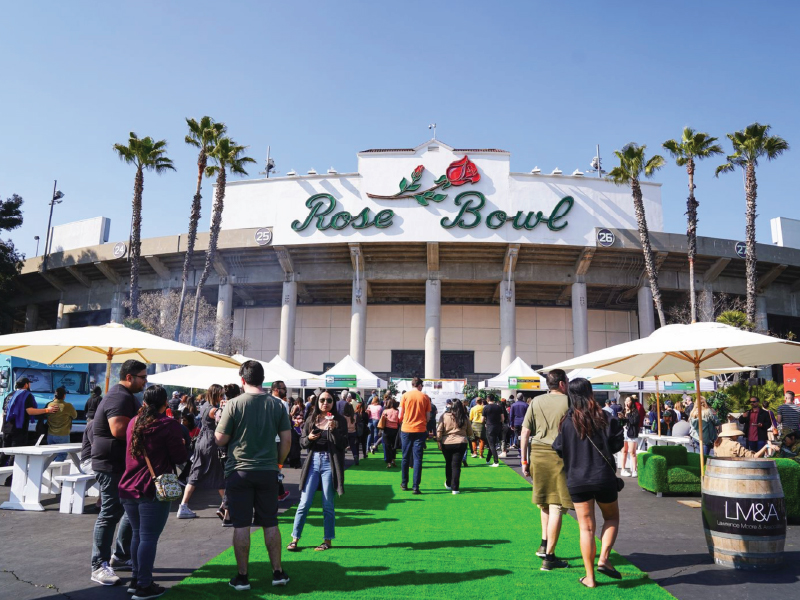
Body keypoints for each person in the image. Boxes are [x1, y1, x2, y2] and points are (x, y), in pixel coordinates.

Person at [215, 360, 291, 591]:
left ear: (242, 379)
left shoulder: (233, 404)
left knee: (241, 524)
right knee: (270, 522)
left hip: (239, 471)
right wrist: (278, 464)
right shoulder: (277, 404)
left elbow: (220, 439)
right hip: (268, 470)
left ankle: (242, 577)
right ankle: (277, 572)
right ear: (263, 379)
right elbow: (287, 440)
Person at [552, 378, 624, 588]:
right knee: (611, 517)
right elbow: (617, 443)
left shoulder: (567, 421)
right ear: (590, 392)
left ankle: (590, 577)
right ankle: (604, 558)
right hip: (603, 477)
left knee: (586, 528)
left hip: (577, 479)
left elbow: (558, 448)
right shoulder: (605, 417)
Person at [119, 386, 188, 600]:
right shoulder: (168, 424)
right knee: (148, 538)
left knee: (138, 535)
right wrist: (183, 444)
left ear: (144, 402)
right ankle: (144, 585)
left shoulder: (133, 422)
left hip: (129, 485)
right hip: (152, 487)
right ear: (165, 403)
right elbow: (180, 457)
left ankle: (136, 579)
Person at [90, 360, 148, 585]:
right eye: (142, 377)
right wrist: (148, 428)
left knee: (129, 510)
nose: (145, 382)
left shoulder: (126, 396)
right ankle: (99, 565)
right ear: (130, 377)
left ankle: (121, 556)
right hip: (110, 464)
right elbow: (119, 429)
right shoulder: (119, 396)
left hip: (121, 464)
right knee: (110, 513)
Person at [520, 369, 572, 571]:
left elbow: (525, 432)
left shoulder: (536, 401)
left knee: (544, 502)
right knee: (557, 504)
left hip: (537, 454)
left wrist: (524, 460)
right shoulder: (569, 402)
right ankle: (549, 556)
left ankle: (544, 544)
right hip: (559, 455)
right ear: (562, 383)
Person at [286, 391, 348, 552]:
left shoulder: (339, 420)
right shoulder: (311, 419)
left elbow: (343, 444)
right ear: (317, 402)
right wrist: (309, 438)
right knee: (304, 503)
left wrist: (333, 430)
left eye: (329, 400)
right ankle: (295, 538)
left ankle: (327, 540)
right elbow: (302, 442)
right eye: (322, 400)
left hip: (329, 463)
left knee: (328, 504)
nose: (325, 403)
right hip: (313, 462)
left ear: (333, 402)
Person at [177, 384, 227, 519]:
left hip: (201, 441)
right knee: (218, 473)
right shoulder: (213, 410)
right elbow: (223, 419)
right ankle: (227, 505)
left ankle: (183, 505)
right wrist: (224, 408)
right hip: (211, 442)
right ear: (216, 395)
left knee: (196, 472)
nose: (222, 397)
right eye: (221, 395)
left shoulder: (204, 405)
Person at [2, 378, 59, 472]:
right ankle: (11, 476)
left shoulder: (9, 395)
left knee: (4, 453)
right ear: (26, 385)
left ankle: (2, 473)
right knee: (17, 454)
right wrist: (47, 410)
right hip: (19, 429)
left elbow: (4, 412)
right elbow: (30, 411)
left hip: (6, 428)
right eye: (29, 383)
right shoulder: (26, 395)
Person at [398, 376, 431, 495]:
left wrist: (403, 421)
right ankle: (416, 486)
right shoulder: (425, 397)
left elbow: (400, 415)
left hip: (406, 429)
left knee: (405, 457)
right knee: (418, 459)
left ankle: (404, 483)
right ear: (420, 385)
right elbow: (428, 416)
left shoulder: (405, 396)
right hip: (420, 429)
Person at [437, 398, 473, 494]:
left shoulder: (444, 416)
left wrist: (439, 441)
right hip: (461, 442)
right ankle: (455, 488)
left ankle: (449, 483)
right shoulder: (464, 417)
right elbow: (470, 432)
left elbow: (439, 430)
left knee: (448, 463)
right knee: (456, 466)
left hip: (447, 442)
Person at [45, 386, 78, 461]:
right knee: (62, 455)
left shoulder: (50, 404)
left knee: (52, 455)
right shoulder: (68, 406)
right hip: (63, 434)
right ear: (64, 396)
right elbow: (75, 416)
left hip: (50, 434)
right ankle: (56, 467)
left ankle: (51, 468)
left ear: (55, 395)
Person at [619, 396, 640, 478]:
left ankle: (634, 470)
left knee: (632, 452)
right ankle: (623, 469)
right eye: (626, 401)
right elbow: (621, 423)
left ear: (632, 402)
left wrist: (628, 414)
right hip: (624, 433)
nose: (626, 402)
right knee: (624, 451)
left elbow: (634, 422)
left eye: (628, 401)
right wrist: (621, 417)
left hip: (632, 433)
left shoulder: (635, 412)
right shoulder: (623, 411)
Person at [482, 393, 504, 467]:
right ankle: (488, 459)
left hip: (489, 427)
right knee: (492, 444)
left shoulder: (486, 407)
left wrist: (486, 422)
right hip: (497, 426)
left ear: (487, 399)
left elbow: (482, 419)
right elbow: (502, 419)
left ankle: (496, 461)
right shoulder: (498, 407)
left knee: (491, 445)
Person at [381, 397, 400, 468]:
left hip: (386, 430)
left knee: (387, 446)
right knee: (393, 446)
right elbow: (399, 420)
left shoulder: (385, 411)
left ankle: (389, 462)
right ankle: (393, 460)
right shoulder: (397, 411)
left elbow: (382, 420)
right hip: (395, 430)